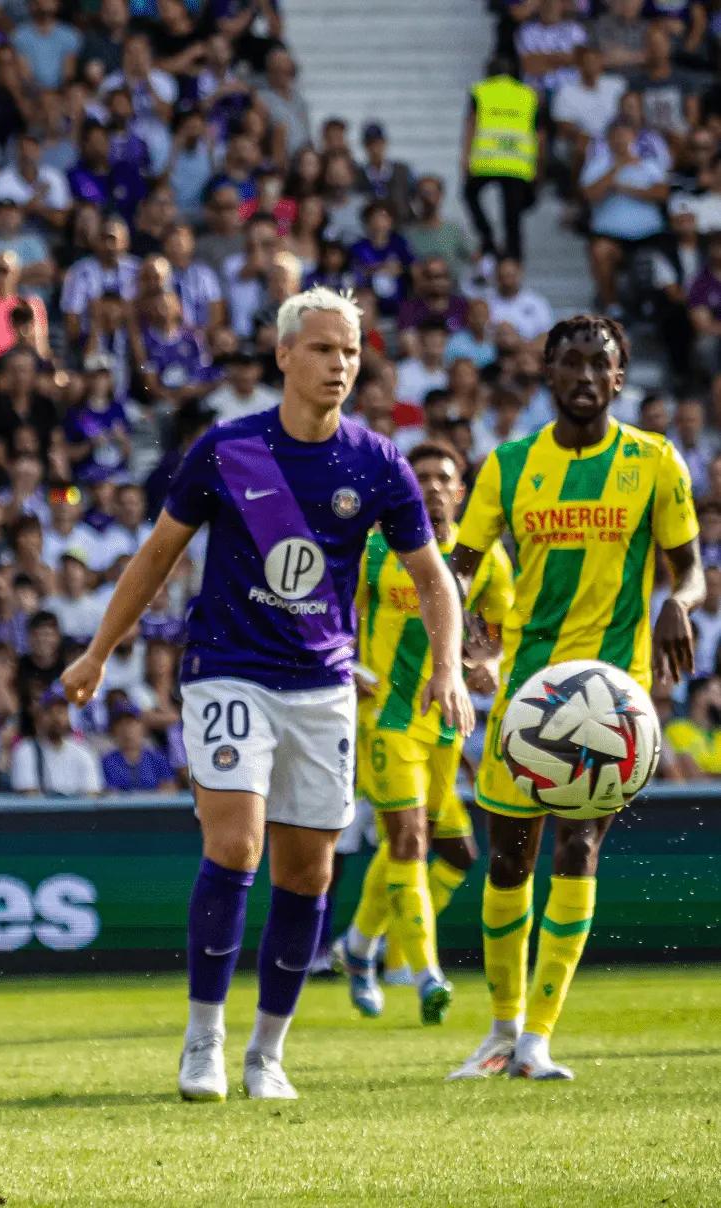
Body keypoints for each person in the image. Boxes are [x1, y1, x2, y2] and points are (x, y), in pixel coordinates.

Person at [60, 287, 471, 1103]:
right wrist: (99, 651)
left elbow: (435, 580)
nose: (339, 366)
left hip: (322, 686)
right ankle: (202, 1040)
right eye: (322, 350)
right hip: (228, 670)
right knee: (236, 843)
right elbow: (155, 556)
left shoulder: (378, 461)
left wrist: (449, 668)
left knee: (309, 873)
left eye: (350, 353)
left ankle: (266, 1053)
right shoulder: (226, 448)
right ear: (284, 355)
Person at [445, 316, 702, 1082]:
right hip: (528, 695)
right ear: (547, 375)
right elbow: (459, 565)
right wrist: (465, 630)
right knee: (508, 860)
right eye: (571, 363)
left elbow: (687, 567)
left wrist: (679, 602)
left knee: (579, 847)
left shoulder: (655, 461)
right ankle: (500, 1028)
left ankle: (538, 1039)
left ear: (620, 379)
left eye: (601, 363)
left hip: (610, 699)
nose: (586, 375)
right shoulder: (508, 465)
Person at [339, 442, 514, 1023]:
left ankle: (360, 947)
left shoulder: (483, 559)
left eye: (446, 476)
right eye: (424, 477)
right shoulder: (372, 549)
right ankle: (423, 973)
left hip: (444, 726)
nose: (435, 486)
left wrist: (490, 660)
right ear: (409, 488)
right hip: (384, 720)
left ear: (460, 490)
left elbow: (498, 631)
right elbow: (332, 618)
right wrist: (351, 668)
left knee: (458, 852)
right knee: (408, 840)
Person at [461, 55, 540, 264]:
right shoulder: (527, 94)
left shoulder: (481, 91)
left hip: (487, 160)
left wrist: (465, 157)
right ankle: (514, 257)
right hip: (517, 162)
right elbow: (538, 133)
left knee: (470, 194)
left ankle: (487, 238)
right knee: (512, 215)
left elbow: (471, 124)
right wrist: (536, 164)